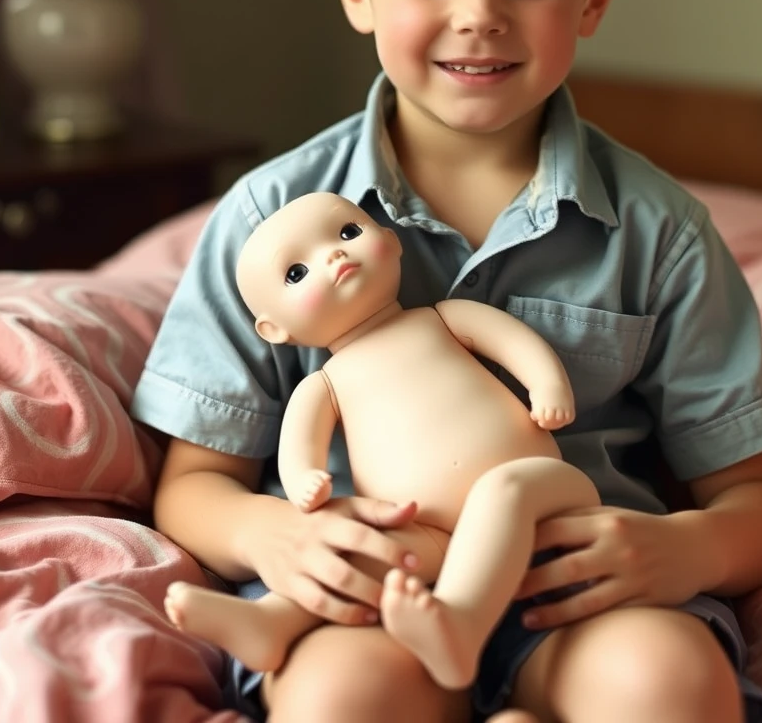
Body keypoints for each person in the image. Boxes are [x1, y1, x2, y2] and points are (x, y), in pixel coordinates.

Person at [130, 0, 762, 723]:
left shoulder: (658, 231)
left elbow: (759, 497)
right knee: (333, 699)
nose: (478, 15)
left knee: (668, 683)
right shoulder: (271, 216)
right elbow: (194, 480)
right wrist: (271, 536)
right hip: (373, 605)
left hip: (576, 600)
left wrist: (687, 548)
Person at [165, 190, 601, 691]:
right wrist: (304, 481)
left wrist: (547, 386)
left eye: (348, 233)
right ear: (274, 329)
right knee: (359, 559)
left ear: (391, 243)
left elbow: (515, 342)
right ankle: (275, 621)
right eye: (296, 273)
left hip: (545, 496)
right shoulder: (324, 385)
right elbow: (299, 449)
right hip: (429, 531)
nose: (332, 255)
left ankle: (462, 624)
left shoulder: (442, 319)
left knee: (503, 492)